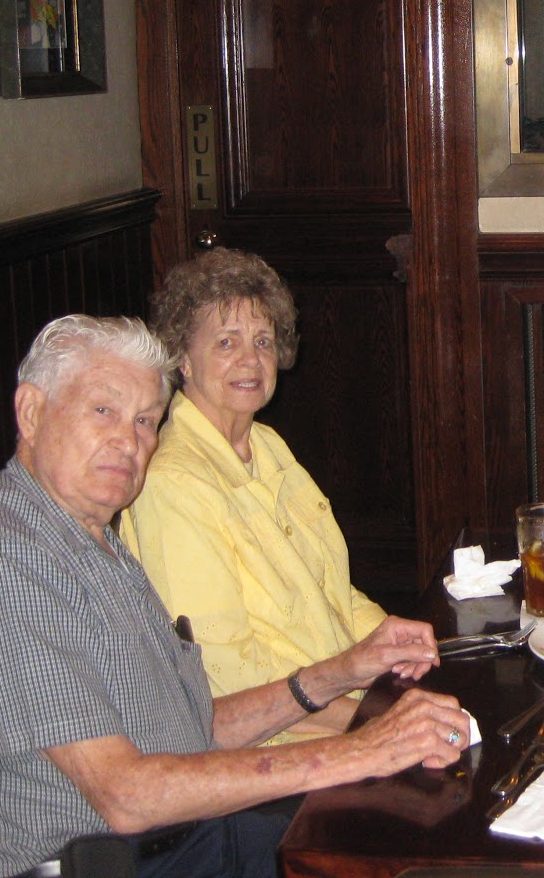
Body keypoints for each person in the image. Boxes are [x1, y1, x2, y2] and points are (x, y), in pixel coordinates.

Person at [0, 315, 467, 878]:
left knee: (430, 827)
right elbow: (125, 795)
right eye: (103, 410)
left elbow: (191, 729)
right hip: (101, 864)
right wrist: (361, 751)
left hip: (182, 837)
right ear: (31, 411)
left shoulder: (91, 538)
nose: (129, 441)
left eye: (146, 420)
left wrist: (341, 672)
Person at [122, 249, 387, 740]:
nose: (251, 359)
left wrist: (398, 646)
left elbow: (331, 592)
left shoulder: (266, 445)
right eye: (226, 342)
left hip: (336, 699)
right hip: (274, 742)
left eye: (263, 341)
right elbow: (223, 675)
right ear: (183, 358)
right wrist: (370, 722)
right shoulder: (173, 482)